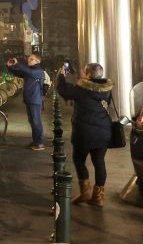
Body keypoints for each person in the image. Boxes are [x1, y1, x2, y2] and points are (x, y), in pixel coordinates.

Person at [57, 62, 114, 207]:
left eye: (84, 71)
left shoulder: (82, 89)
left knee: (79, 159)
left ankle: (85, 192)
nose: (81, 72)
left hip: (84, 132)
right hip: (103, 131)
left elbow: (63, 90)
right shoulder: (106, 89)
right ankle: (98, 198)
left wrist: (61, 76)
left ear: (88, 75)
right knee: (99, 162)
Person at [7, 53, 47, 150]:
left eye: (31, 59)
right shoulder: (30, 71)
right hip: (30, 99)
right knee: (32, 121)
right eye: (29, 59)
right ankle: (36, 141)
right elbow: (18, 73)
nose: (29, 60)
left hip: (35, 99)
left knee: (36, 121)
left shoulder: (39, 71)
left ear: (38, 61)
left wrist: (17, 63)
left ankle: (40, 143)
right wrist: (9, 67)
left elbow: (26, 70)